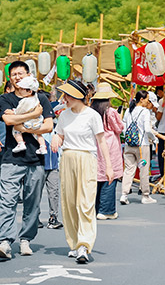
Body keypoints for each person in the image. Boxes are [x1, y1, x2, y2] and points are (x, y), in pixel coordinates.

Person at [0, 61, 54, 260]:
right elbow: (9, 121)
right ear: (9, 78)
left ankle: (26, 239)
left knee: (32, 203)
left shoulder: (42, 98)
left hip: (35, 159)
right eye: (13, 75)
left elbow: (48, 126)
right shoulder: (6, 99)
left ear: (29, 75)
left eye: (21, 73)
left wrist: (26, 127)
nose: (17, 77)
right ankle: (4, 241)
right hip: (11, 158)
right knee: (6, 201)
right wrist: (34, 114)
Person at [50, 80, 114, 264]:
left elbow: (101, 141)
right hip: (68, 158)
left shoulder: (92, 115)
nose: (65, 99)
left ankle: (84, 245)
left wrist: (108, 167)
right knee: (69, 203)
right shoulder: (64, 116)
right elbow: (60, 134)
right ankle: (75, 243)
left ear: (78, 96)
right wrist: (56, 138)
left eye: (68, 95)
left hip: (86, 158)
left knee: (85, 202)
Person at [120, 90, 165, 205]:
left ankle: (124, 194)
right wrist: (154, 139)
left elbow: (124, 127)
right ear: (142, 99)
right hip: (142, 145)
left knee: (129, 169)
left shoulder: (128, 111)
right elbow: (147, 129)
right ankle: (145, 195)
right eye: (146, 99)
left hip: (129, 144)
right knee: (144, 169)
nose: (147, 102)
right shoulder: (145, 112)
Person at [89, 83, 124, 220]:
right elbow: (119, 128)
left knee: (97, 177)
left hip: (96, 144)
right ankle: (106, 210)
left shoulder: (91, 111)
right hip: (110, 145)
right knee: (110, 177)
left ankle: (95, 208)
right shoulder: (111, 112)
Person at [7, 76, 46, 155]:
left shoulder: (25, 101)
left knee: (15, 130)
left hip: (28, 122)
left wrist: (13, 112)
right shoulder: (36, 98)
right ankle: (42, 146)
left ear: (29, 91)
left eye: (22, 89)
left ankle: (20, 143)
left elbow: (20, 111)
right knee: (38, 134)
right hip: (37, 121)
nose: (20, 90)